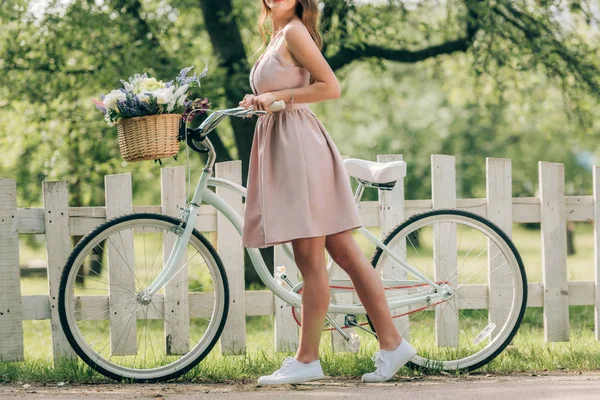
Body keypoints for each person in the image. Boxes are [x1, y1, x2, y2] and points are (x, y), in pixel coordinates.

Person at [239, 0, 417, 385]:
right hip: (288, 145)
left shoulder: (294, 32)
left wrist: (278, 97)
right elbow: (282, 93)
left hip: (300, 149)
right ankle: (392, 343)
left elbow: (330, 87)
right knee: (346, 253)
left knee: (310, 257)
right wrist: (260, 101)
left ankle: (307, 359)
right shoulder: (275, 35)